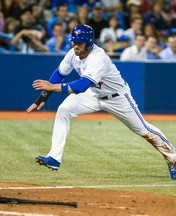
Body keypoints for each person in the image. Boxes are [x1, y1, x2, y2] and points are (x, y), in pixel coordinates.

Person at [26, 24, 176, 180]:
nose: (75, 45)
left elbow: (81, 86)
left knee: (144, 130)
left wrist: (52, 87)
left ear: (90, 43)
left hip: (117, 98)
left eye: (79, 42)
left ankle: (173, 158)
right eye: (74, 41)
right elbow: (60, 73)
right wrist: (43, 97)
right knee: (64, 110)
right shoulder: (73, 54)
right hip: (93, 94)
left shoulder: (99, 58)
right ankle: (54, 158)